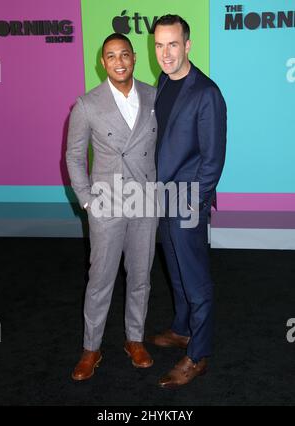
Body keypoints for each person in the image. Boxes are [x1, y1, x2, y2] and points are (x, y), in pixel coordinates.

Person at [66, 33, 157, 381]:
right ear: (102, 63)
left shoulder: (152, 96)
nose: (119, 62)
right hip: (107, 204)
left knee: (140, 277)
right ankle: (91, 348)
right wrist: (87, 199)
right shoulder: (87, 105)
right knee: (100, 279)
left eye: (124, 55)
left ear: (134, 58)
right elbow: (74, 156)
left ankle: (134, 339)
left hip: (145, 202)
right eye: (111, 56)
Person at [147, 15, 227, 388]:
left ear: (187, 45)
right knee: (175, 271)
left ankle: (199, 354)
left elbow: (212, 160)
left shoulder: (207, 93)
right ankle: (182, 329)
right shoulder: (163, 81)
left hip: (187, 201)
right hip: (161, 198)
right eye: (159, 45)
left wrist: (194, 205)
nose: (165, 53)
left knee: (195, 280)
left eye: (173, 44)